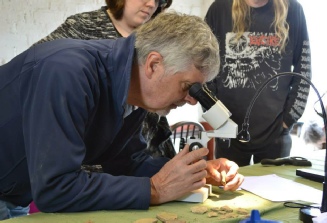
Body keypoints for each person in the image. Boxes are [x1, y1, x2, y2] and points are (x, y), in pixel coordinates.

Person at [0, 12, 244, 216]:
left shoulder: (130, 91)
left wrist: (193, 173)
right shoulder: (67, 72)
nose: (191, 100)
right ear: (153, 65)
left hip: (16, 193)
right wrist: (154, 189)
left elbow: (127, 163)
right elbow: (56, 188)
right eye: (187, 87)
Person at [35, 0, 176, 159]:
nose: (151, 4)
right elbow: (35, 67)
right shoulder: (84, 26)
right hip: (98, 161)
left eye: (159, 0)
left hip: (147, 154)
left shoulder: (154, 38)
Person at [205, 0, 312, 166]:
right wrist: (217, 118)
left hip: (275, 132)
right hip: (228, 131)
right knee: (229, 191)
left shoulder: (293, 10)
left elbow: (303, 68)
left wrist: (288, 119)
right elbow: (202, 65)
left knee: (272, 191)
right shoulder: (219, 9)